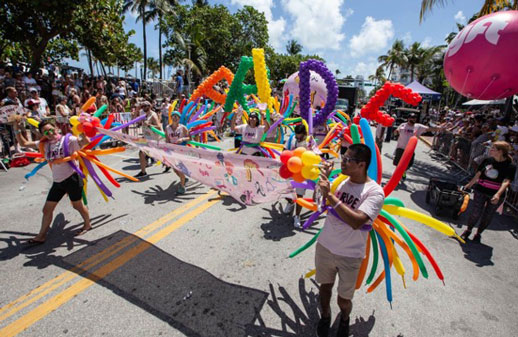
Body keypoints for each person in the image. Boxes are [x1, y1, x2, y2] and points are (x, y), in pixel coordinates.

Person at [315, 144, 385, 337]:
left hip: (350, 255)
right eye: (343, 158)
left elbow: (357, 221)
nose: (342, 162)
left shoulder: (375, 192)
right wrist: (325, 181)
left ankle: (344, 319)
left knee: (344, 299)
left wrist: (329, 194)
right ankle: (325, 316)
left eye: (347, 160)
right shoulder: (340, 181)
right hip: (325, 247)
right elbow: (322, 205)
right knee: (324, 288)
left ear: (361, 165)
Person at [13, 119, 91, 243]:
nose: (49, 133)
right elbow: (24, 144)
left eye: (50, 129)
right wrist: (16, 128)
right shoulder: (45, 143)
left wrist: (82, 129)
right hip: (58, 182)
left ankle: (87, 224)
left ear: (56, 128)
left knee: (77, 205)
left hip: (72, 179)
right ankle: (41, 236)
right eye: (45, 132)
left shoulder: (67, 140)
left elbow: (85, 142)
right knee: (47, 209)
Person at [461, 141, 516, 242]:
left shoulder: (510, 166)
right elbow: (478, 174)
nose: (490, 150)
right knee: (476, 213)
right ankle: (468, 230)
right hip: (481, 189)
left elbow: (506, 181)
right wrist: (469, 185)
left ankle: (478, 234)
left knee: (488, 215)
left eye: (493, 149)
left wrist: (498, 195)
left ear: (500, 151)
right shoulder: (488, 160)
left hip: (495, 193)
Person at [393, 113, 438, 180]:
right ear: (408, 118)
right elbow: (396, 131)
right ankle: (396, 177)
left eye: (415, 118)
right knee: (397, 163)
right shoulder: (403, 125)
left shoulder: (418, 126)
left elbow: (429, 129)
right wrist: (396, 132)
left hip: (410, 150)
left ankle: (404, 172)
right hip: (400, 148)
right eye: (412, 117)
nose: (413, 119)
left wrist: (441, 128)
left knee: (408, 164)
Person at [283, 124, 308, 227]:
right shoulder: (291, 138)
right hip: (290, 170)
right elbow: (284, 150)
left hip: (301, 172)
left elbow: (315, 154)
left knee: (299, 195)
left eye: (300, 136)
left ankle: (297, 216)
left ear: (304, 134)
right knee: (285, 190)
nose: (298, 138)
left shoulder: (309, 141)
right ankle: (290, 202)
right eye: (297, 135)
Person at [164, 111, 191, 194]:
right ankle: (183, 179)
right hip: (172, 151)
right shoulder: (167, 128)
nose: (175, 118)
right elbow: (167, 141)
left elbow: (189, 138)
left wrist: (182, 139)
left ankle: (182, 187)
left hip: (181, 151)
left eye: (177, 116)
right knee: (175, 169)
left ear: (179, 119)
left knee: (180, 169)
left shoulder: (183, 128)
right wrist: (166, 152)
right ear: (171, 118)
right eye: (173, 116)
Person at [134, 101, 162, 178]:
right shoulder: (145, 114)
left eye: (144, 106)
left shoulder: (153, 115)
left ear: (149, 106)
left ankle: (167, 164)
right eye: (142, 106)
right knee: (141, 153)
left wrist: (149, 125)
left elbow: (159, 127)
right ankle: (143, 172)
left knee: (159, 155)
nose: (143, 108)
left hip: (153, 139)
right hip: (146, 138)